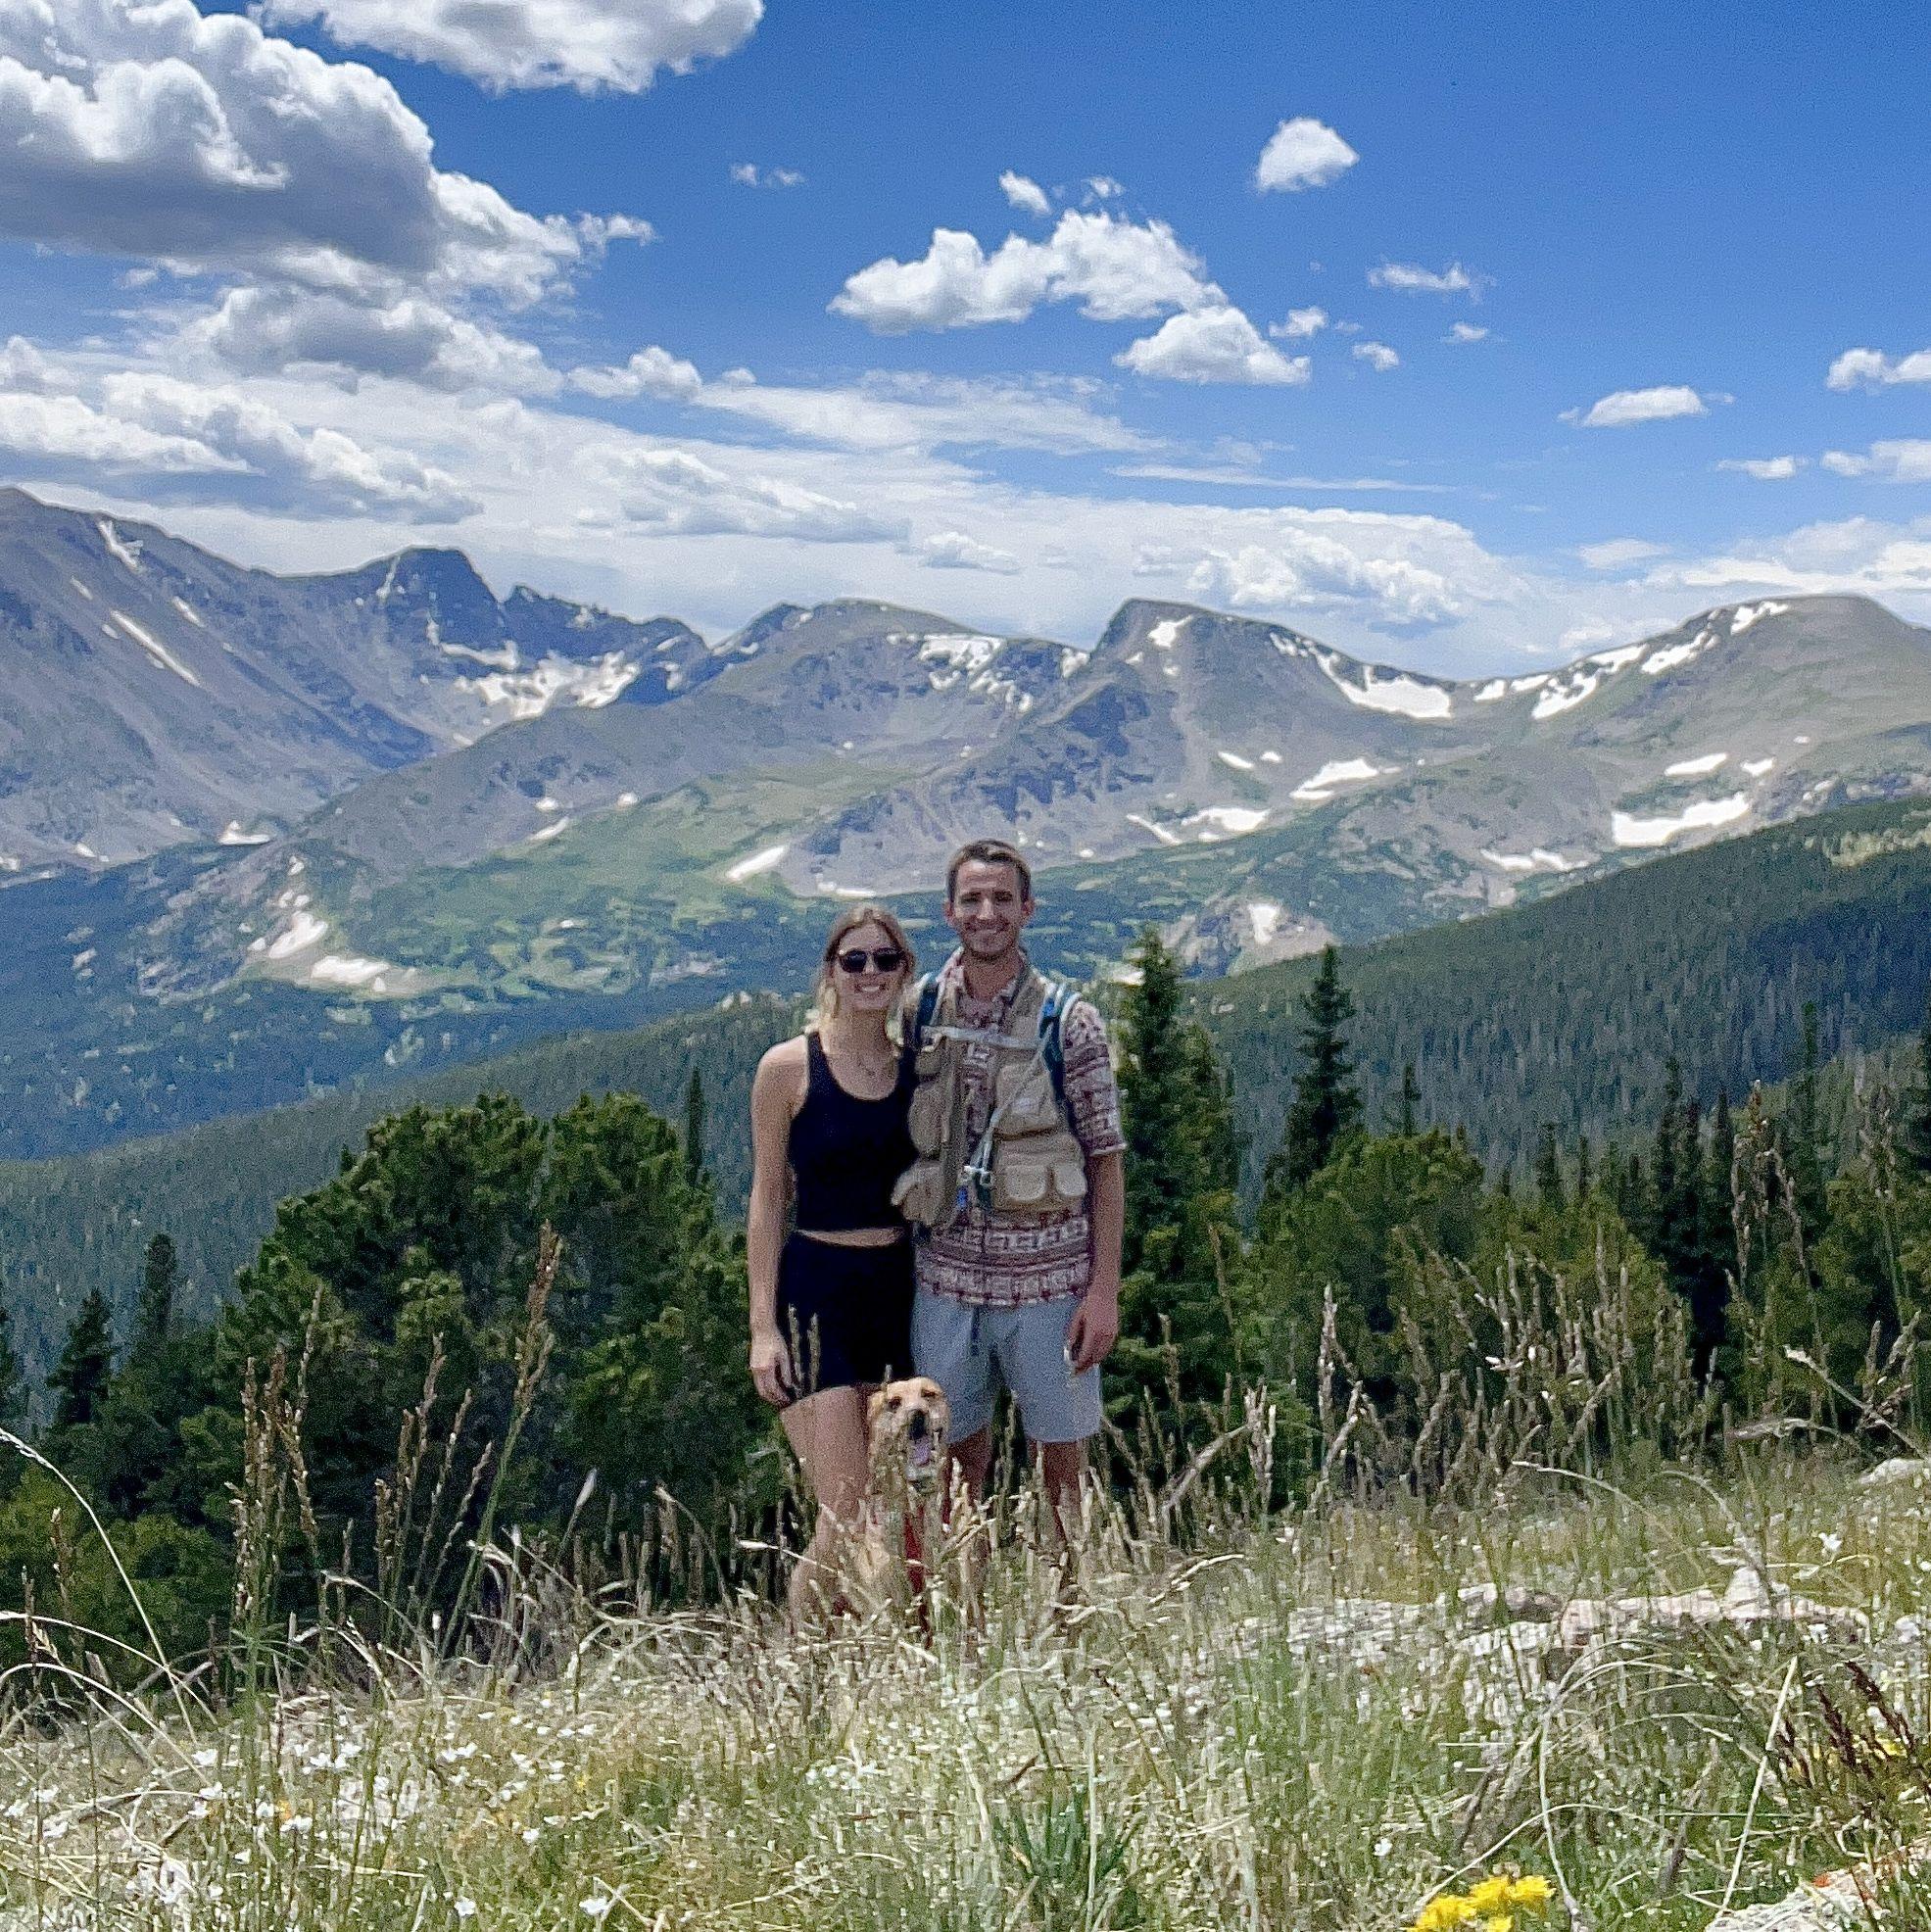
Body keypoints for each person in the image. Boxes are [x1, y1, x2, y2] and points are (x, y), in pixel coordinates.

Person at [894, 838, 1126, 1531]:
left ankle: (1064, 1605)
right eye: (971, 899)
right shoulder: (920, 1011)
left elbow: (1105, 1159)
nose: (986, 912)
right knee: (954, 1457)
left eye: (1001, 899)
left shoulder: (1070, 1023)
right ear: (948, 911)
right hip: (945, 1280)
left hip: (1051, 1285)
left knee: (1060, 1457)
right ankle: (966, 1600)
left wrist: (1102, 1291)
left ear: (1027, 910)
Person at [747, 905, 918, 1615]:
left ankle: (859, 1657)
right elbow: (765, 1198)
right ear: (831, 971)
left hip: (899, 1293)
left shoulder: (917, 1071)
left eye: (884, 960)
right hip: (814, 1291)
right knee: (844, 1510)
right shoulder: (788, 1068)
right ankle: (800, 1660)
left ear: (904, 971)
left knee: (893, 1507)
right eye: (855, 960)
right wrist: (762, 1327)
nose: (869, 973)